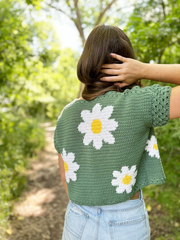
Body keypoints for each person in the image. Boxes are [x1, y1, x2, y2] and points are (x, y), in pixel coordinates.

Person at [54, 25, 180, 240]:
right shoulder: (140, 103)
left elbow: (66, 174)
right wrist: (144, 70)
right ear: (127, 61)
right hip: (125, 222)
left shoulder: (67, 114)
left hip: (78, 216)